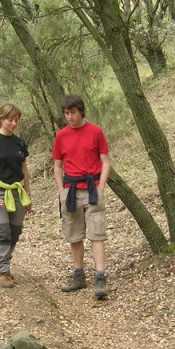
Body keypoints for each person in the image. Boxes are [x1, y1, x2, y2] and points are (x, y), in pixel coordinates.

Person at [52, 94, 111, 299]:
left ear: (81, 111)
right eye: (66, 113)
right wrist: (61, 191)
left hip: (93, 189)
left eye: (73, 113)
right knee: (73, 234)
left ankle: (100, 277)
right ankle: (79, 274)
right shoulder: (61, 136)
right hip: (70, 191)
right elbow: (57, 166)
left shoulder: (96, 132)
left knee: (97, 233)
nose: (70, 117)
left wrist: (101, 187)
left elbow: (105, 161)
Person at [0, 104, 32, 289]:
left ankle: (1, 263)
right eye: (11, 119)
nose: (14, 123)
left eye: (17, 119)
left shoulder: (20, 144)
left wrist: (28, 194)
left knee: (15, 232)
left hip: (17, 193)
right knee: (3, 231)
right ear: (1, 118)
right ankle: (3, 269)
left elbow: (24, 170)